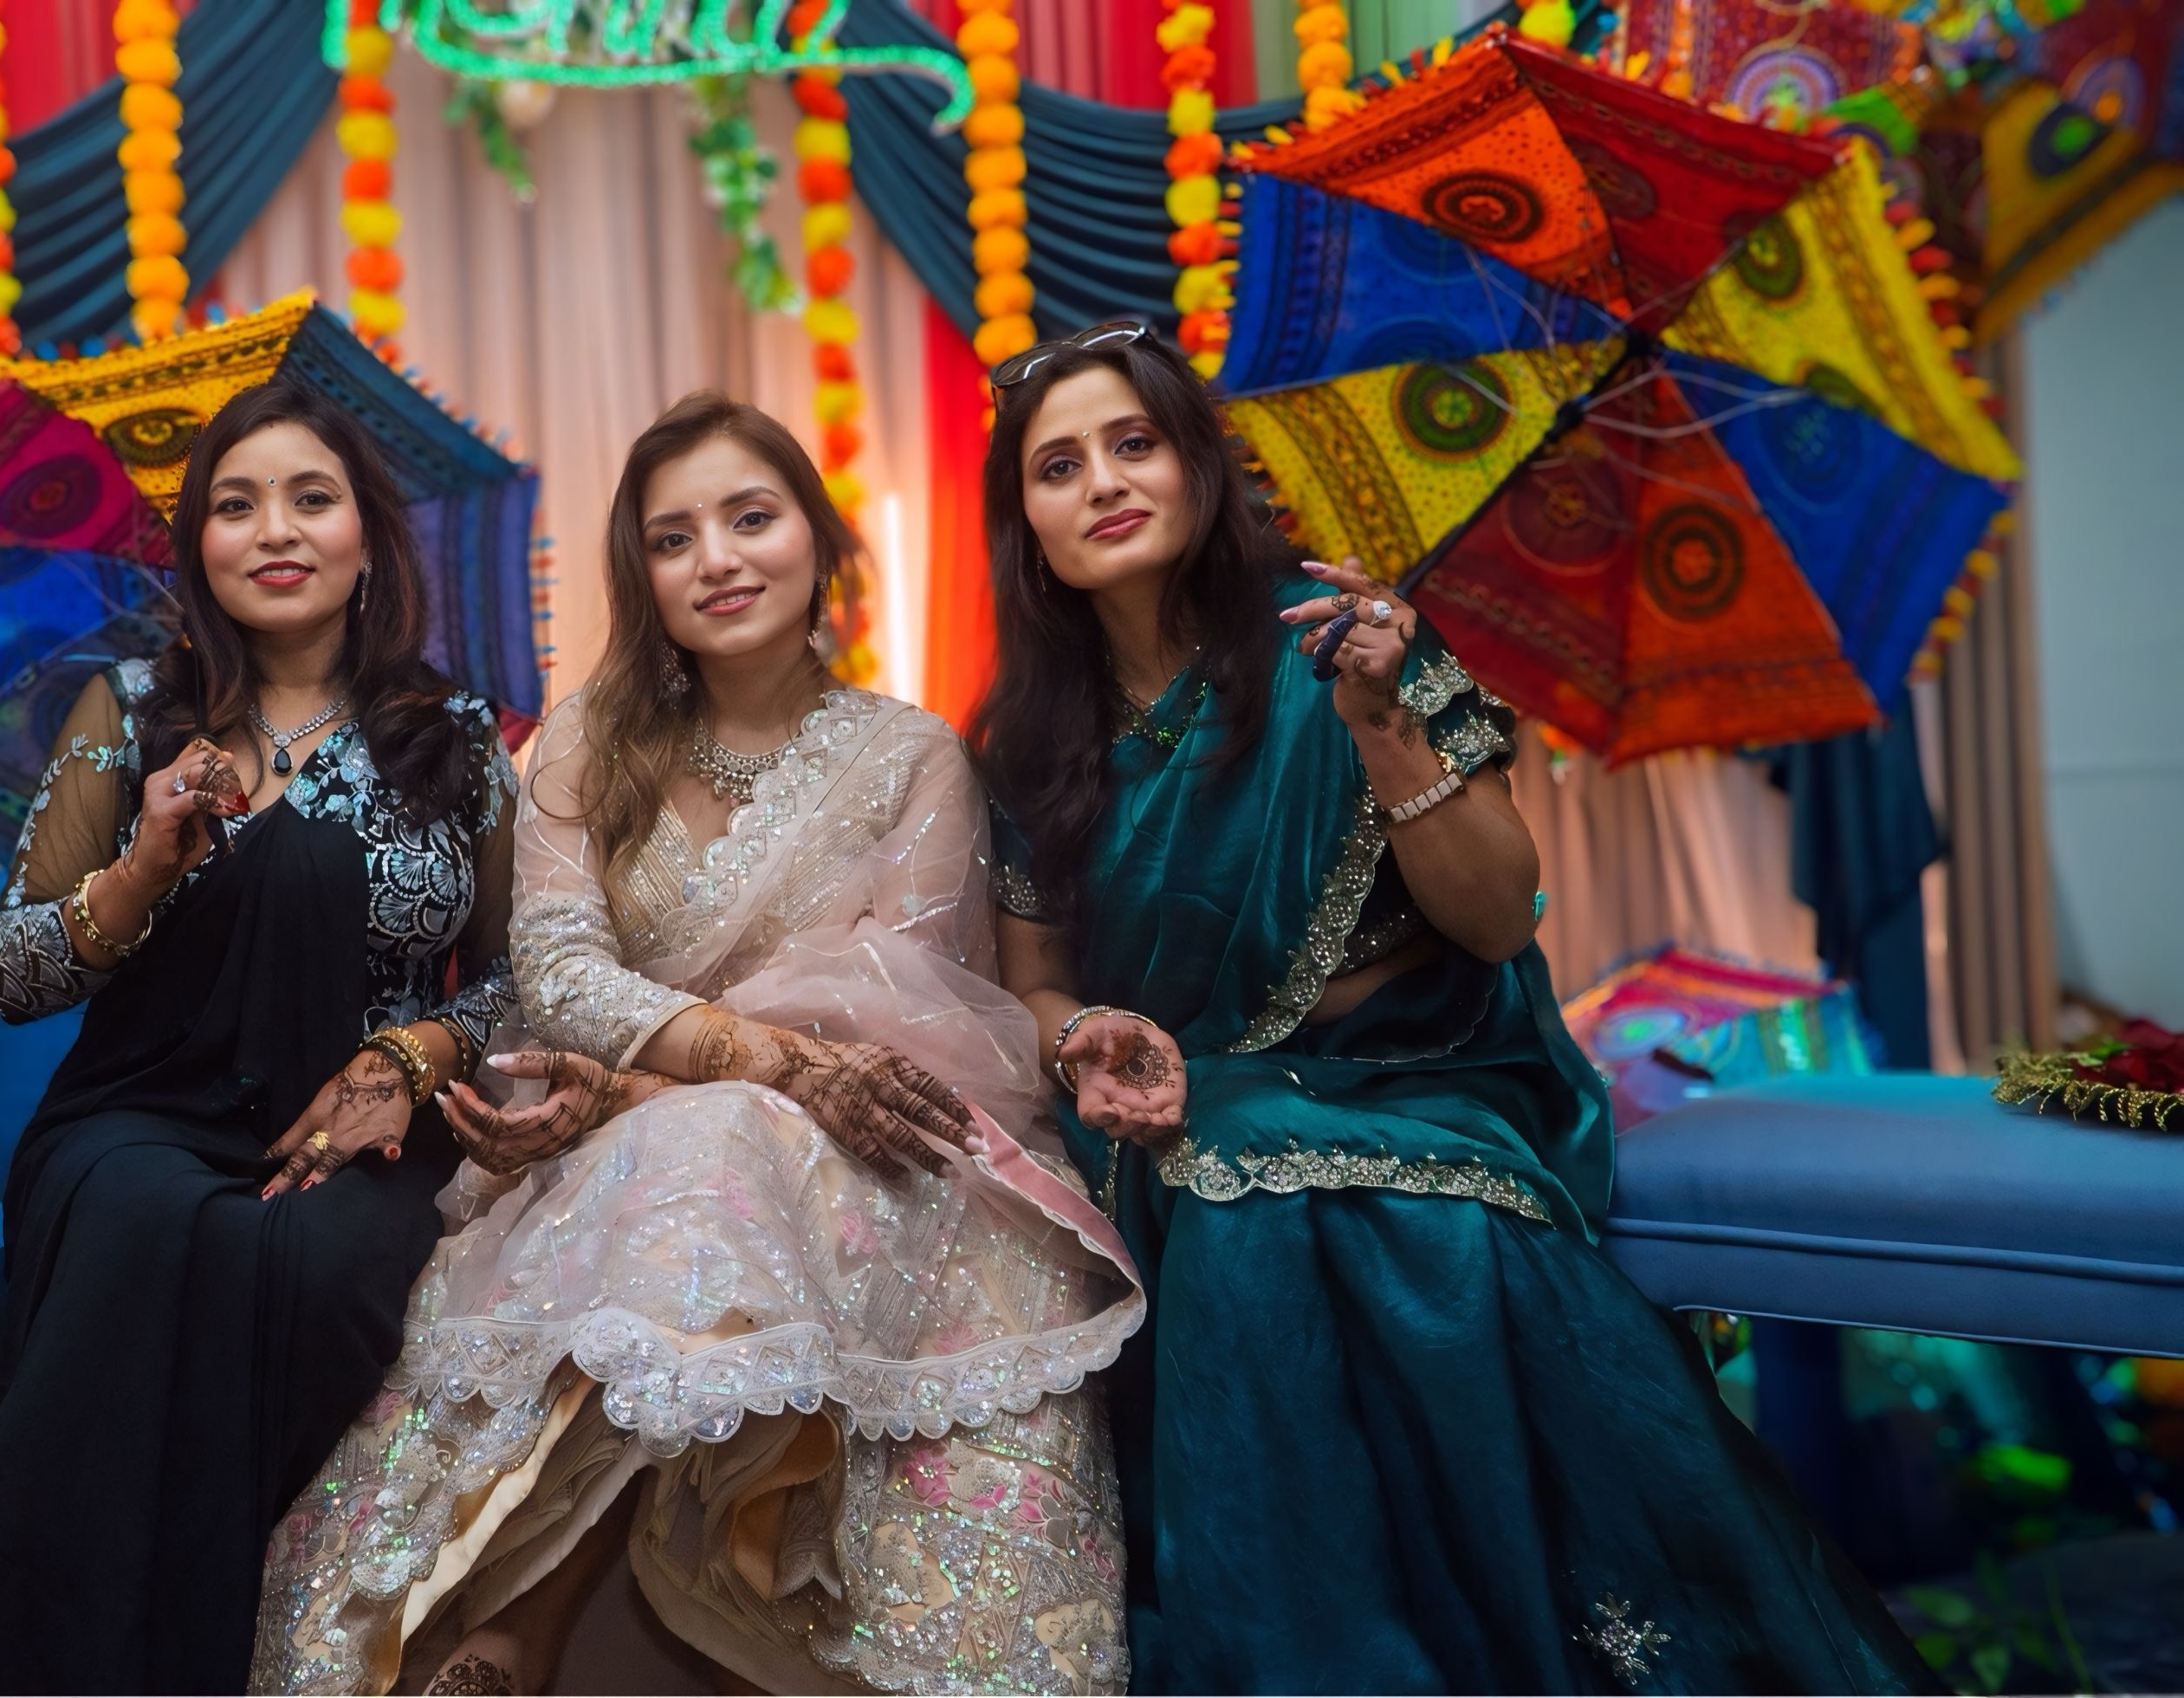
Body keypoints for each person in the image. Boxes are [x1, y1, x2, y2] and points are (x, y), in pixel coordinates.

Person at [967, 321, 1937, 1694]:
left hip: (1428, 1079)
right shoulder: (1021, 742)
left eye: (1134, 442)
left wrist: (1381, 721)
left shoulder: (1347, 647)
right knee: (1226, 1158)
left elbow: (1496, 918)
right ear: (1027, 522)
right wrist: (1082, 1043)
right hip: (1171, 1104)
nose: (1104, 481)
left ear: (1195, 466)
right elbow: (1035, 978)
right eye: (1059, 465)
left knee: (1255, 1186)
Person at [250, 393, 1142, 1696]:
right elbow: (554, 971)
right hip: (606, 1136)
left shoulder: (911, 755)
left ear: (818, 544)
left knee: (718, 1155)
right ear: (643, 576)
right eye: (675, 538)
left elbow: (901, 1010)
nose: (718, 558)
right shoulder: (584, 746)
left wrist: (691, 1079)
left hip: (870, 1152)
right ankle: (501, 1636)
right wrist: (679, 1078)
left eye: (751, 518)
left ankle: (554, 1637)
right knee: (698, 1162)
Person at [0, 379, 522, 1693]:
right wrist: (141, 864)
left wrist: (413, 1059)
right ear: (198, 548)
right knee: (138, 1225)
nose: (274, 530)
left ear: (365, 539)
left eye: (310, 497)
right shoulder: (128, 715)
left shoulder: (452, 737)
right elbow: (12, 972)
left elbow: (525, 978)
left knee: (319, 1270)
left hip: (358, 1134)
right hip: (135, 1123)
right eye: (234, 506)